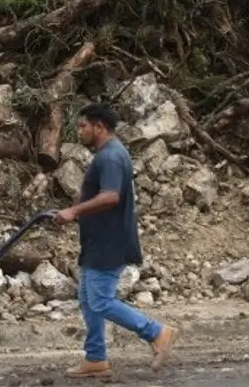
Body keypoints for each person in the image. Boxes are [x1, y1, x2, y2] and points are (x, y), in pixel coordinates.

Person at [53, 102, 179, 379]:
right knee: (88, 299)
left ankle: (156, 332)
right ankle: (96, 358)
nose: (80, 131)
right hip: (99, 240)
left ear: (99, 127)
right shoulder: (109, 154)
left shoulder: (109, 157)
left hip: (109, 242)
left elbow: (110, 197)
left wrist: (74, 211)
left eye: (84, 126)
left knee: (99, 301)